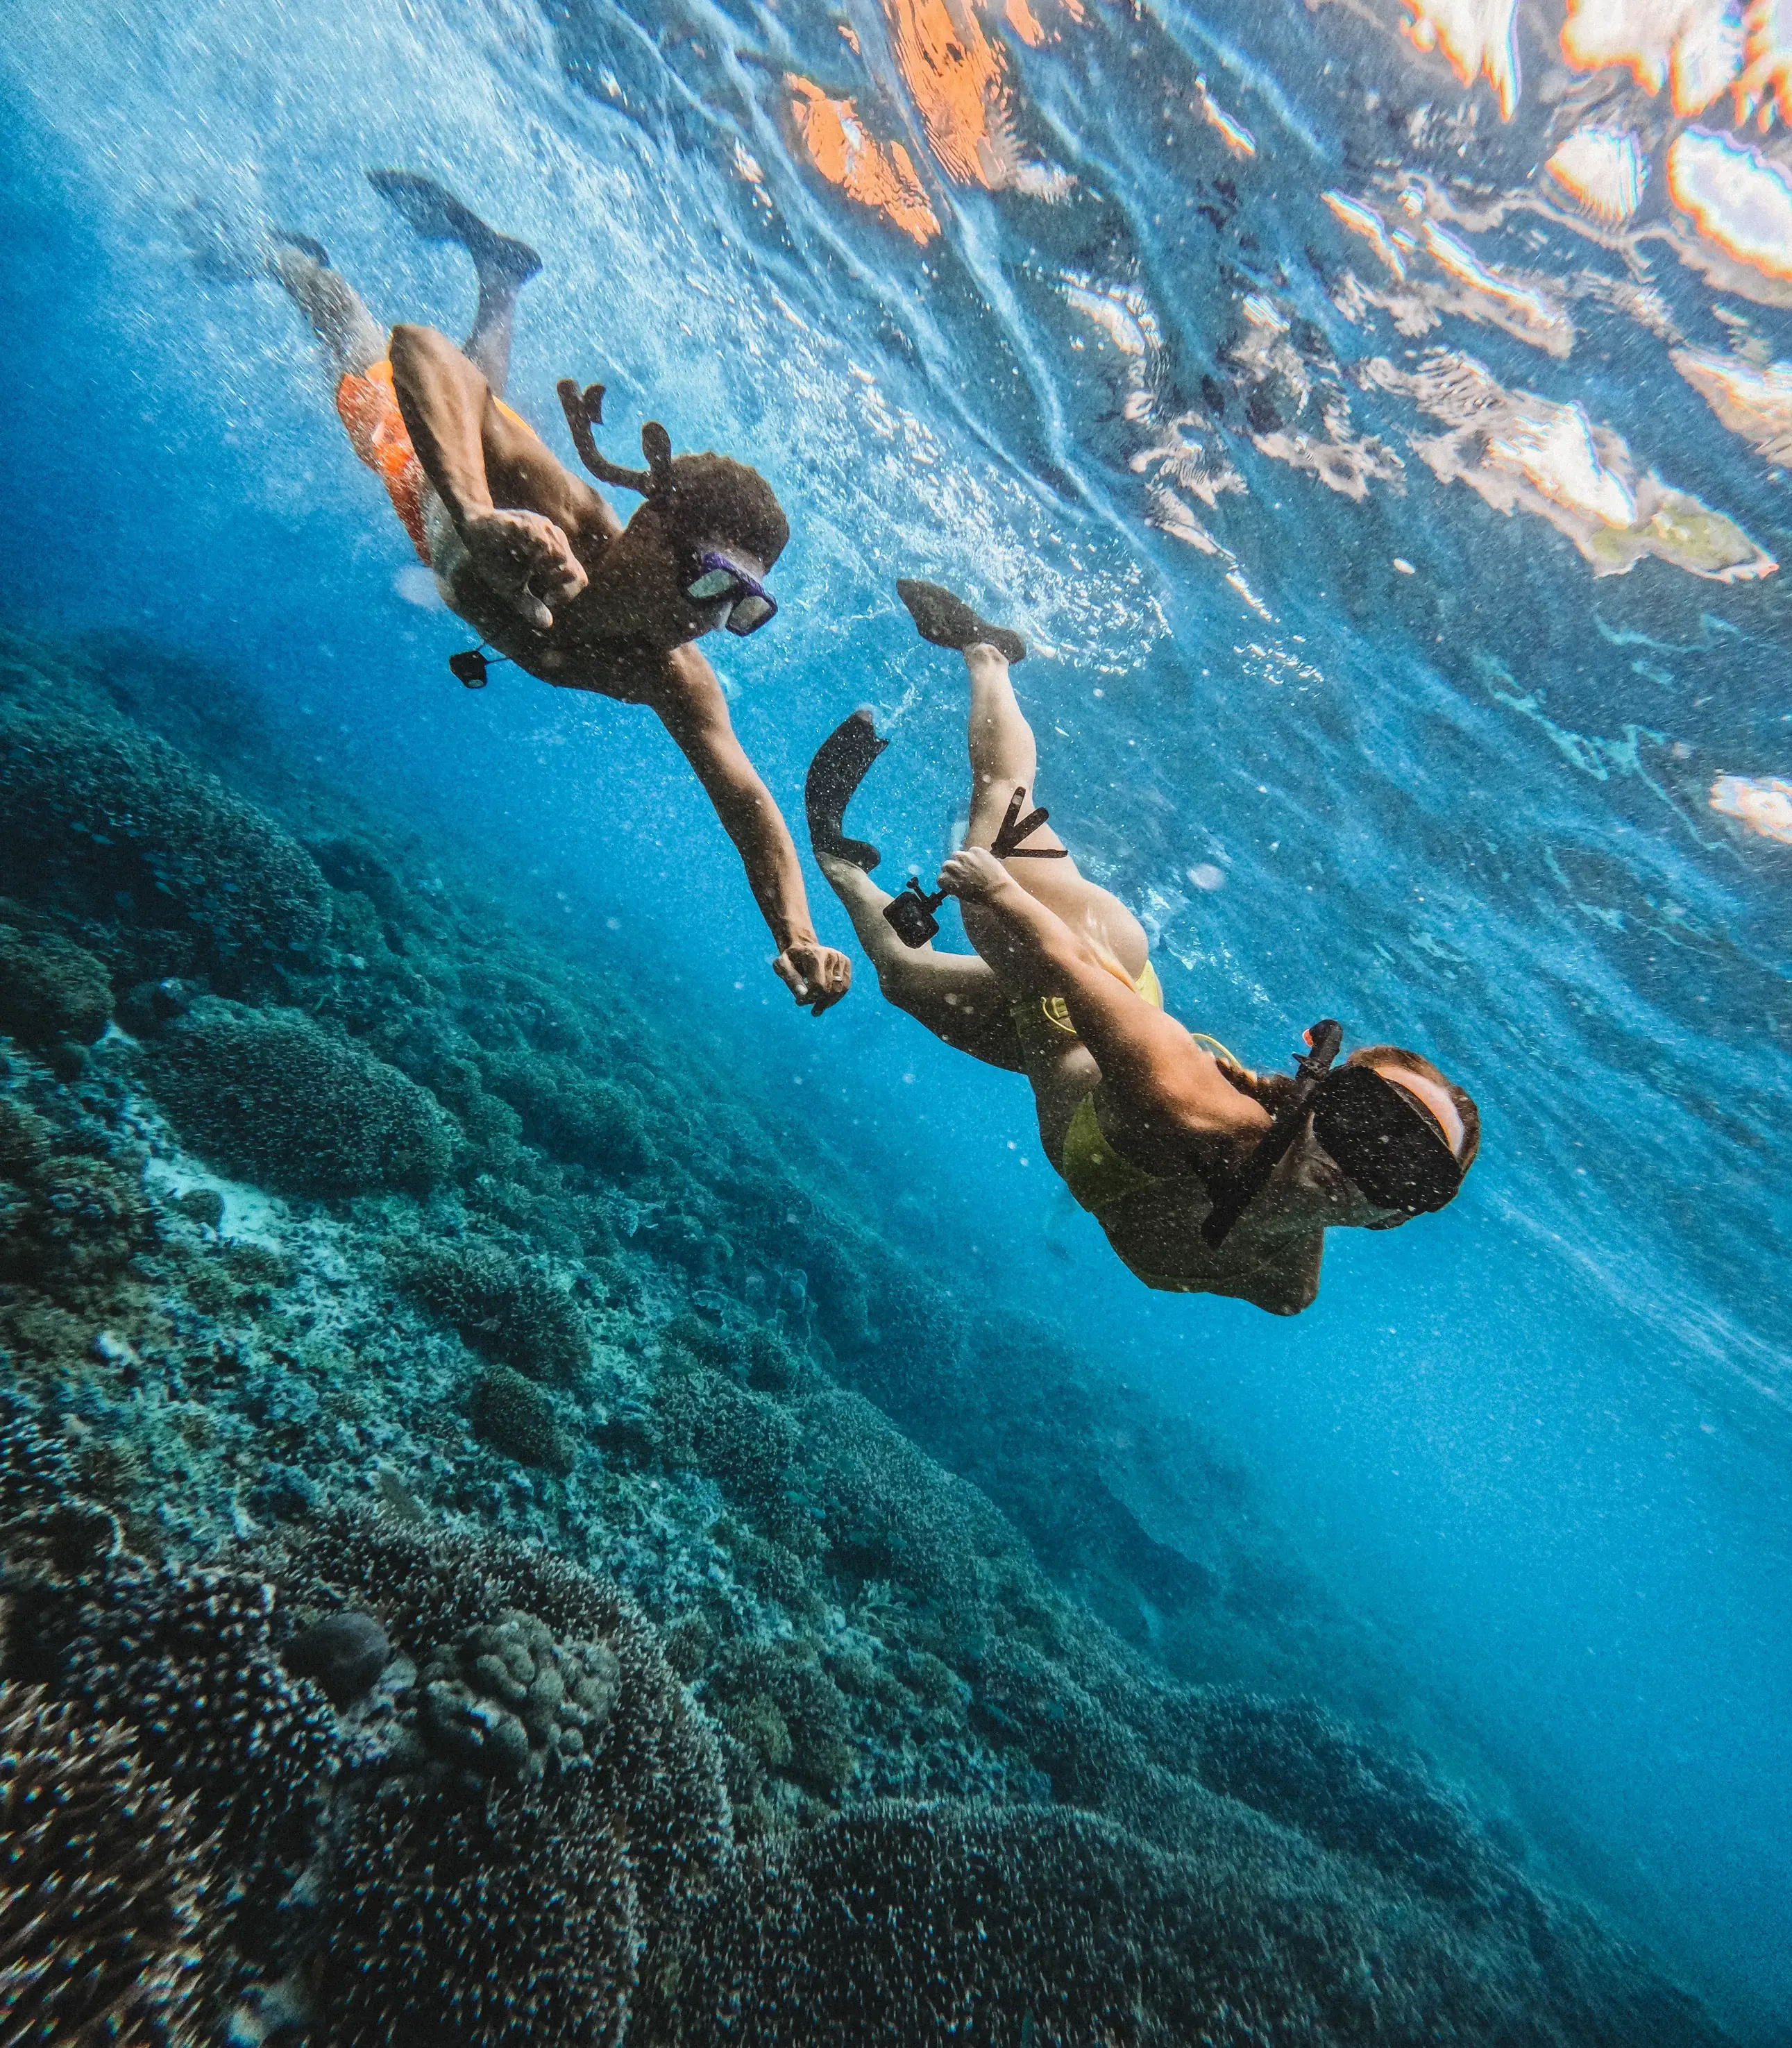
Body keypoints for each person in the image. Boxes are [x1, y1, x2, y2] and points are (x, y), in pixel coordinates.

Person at [260, 170, 850, 1014]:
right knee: (355, 353)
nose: (707, 618)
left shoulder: (670, 675)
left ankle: (500, 273)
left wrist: (796, 934)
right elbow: (417, 349)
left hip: (477, 472)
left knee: (484, 394)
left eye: (740, 606)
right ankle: (286, 258)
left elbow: (749, 804)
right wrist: (471, 513)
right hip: (417, 468)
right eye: (709, 578)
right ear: (648, 532)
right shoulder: (566, 513)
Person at [806, 579, 1480, 1314]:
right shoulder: (1184, 1101)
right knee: (992, 839)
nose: (1357, 1163)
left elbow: (1290, 1212)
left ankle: (839, 857)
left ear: (1403, 1212)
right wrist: (995, 892)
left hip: (1066, 1045)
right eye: (1363, 1122)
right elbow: (1062, 965)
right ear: (1322, 1102)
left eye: (1403, 1168)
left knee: (902, 979)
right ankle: (988, 651)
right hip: (1090, 970)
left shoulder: (1288, 1282)